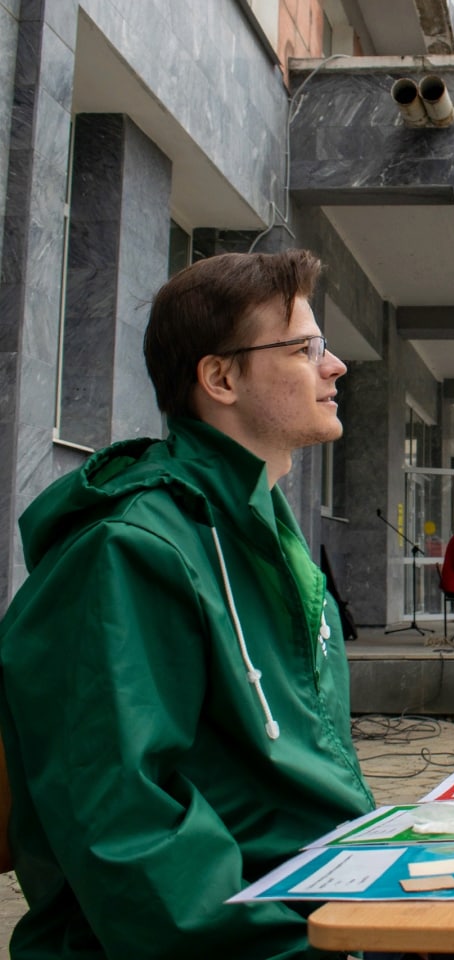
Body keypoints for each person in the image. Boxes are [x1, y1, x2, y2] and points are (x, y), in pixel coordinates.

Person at [0, 250, 376, 959]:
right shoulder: (129, 553)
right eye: (305, 349)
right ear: (221, 377)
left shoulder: (258, 527)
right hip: (246, 938)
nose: (335, 367)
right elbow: (125, 828)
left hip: (324, 901)